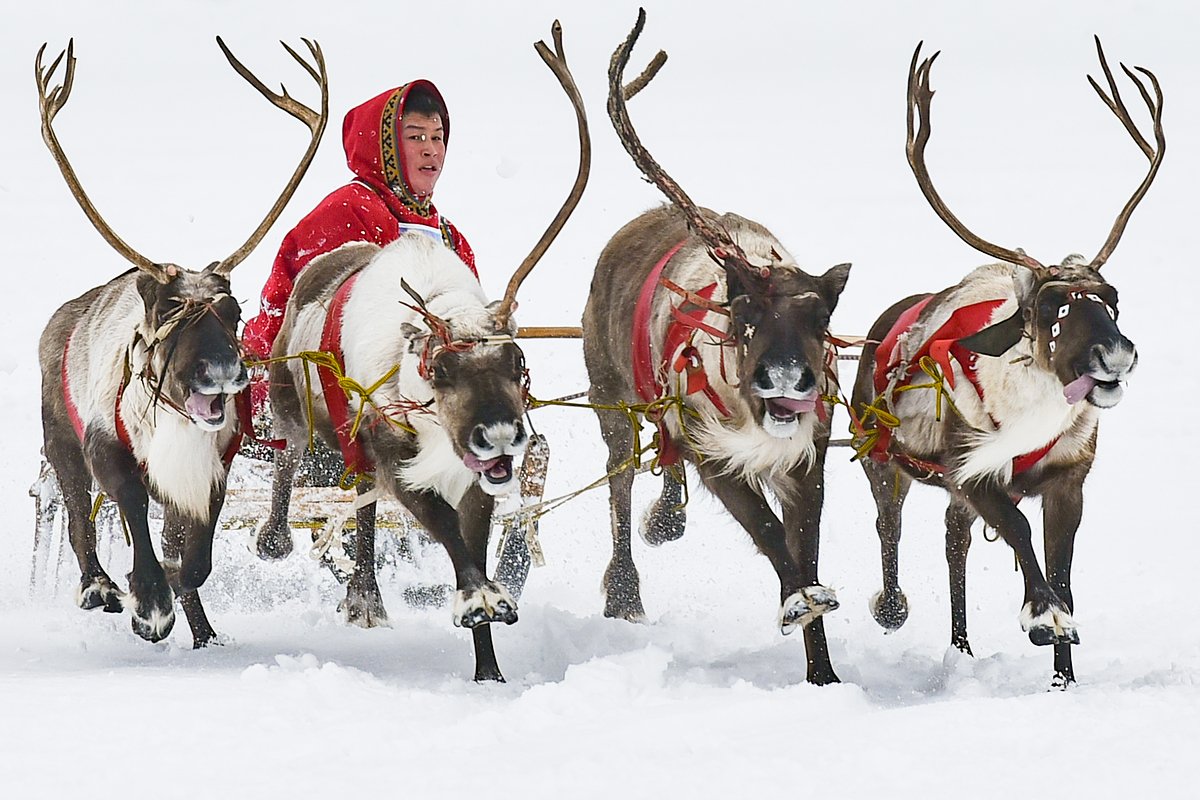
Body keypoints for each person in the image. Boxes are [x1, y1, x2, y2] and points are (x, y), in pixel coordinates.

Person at [242, 80, 476, 384]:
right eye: (416, 137)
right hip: (336, 393)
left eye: (437, 137)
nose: (431, 150)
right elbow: (294, 310)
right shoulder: (348, 211)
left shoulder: (449, 237)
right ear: (385, 146)